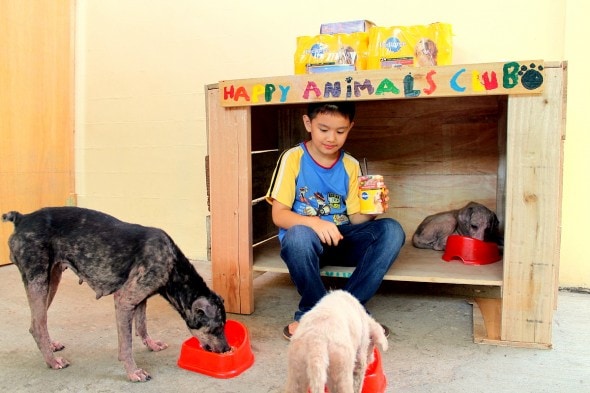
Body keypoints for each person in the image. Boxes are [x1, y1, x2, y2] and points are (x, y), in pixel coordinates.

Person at [265, 101, 405, 340]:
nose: (331, 138)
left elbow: (355, 218)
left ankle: (349, 308)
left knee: (392, 230)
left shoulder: (350, 164)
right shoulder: (293, 158)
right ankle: (312, 312)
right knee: (298, 235)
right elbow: (279, 215)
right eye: (324, 129)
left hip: (342, 238)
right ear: (308, 124)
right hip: (307, 244)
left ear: (350, 127)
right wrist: (316, 223)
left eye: (340, 131)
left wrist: (373, 209)